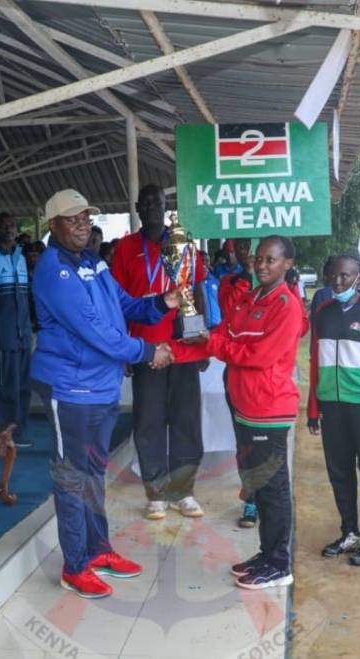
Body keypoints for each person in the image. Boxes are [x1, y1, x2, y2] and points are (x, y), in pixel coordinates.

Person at [30, 188, 180, 599]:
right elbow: (97, 331)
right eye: (73, 218)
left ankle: (98, 551)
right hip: (71, 389)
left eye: (87, 217)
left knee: (94, 473)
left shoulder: (93, 263)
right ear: (54, 225)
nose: (83, 224)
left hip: (101, 386)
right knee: (72, 477)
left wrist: (163, 302)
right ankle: (74, 565)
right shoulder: (53, 271)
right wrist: (148, 351)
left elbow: (126, 306)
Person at [171, 236, 308, 590]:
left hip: (268, 408)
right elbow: (224, 339)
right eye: (259, 258)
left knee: (273, 486)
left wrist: (209, 341)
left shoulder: (286, 306)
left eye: (271, 260)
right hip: (244, 405)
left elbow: (257, 356)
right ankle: (267, 553)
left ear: (287, 265)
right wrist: (176, 350)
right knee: (258, 484)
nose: (262, 265)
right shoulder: (250, 298)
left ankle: (280, 564)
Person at [111, 184, 206, 520]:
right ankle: (155, 491)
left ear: (166, 206)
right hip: (146, 349)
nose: (152, 206)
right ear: (137, 206)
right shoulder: (125, 248)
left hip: (182, 346)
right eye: (147, 202)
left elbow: (196, 290)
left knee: (186, 420)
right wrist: (124, 349)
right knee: (148, 421)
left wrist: (201, 340)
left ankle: (184, 491)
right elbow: (117, 304)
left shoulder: (183, 241)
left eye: (158, 201)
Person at [305, 255, 360, 567]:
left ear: (358, 277)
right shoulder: (324, 312)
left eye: (345, 276)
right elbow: (315, 361)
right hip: (332, 407)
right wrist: (313, 408)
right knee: (339, 473)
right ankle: (350, 531)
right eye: (333, 276)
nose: (338, 282)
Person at [0, 212, 33, 447]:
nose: (9, 229)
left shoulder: (20, 256)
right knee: (2, 386)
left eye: (12, 225)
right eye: (3, 226)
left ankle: (18, 432)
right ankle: (1, 435)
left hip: (22, 333)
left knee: (22, 385)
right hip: (1, 334)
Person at [215, 237, 258, 529]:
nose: (249, 254)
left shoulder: (283, 285)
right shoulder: (229, 284)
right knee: (244, 441)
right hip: (236, 374)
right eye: (242, 248)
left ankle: (272, 496)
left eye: (254, 247)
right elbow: (230, 318)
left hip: (268, 381)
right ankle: (251, 498)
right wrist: (246, 279)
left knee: (267, 443)